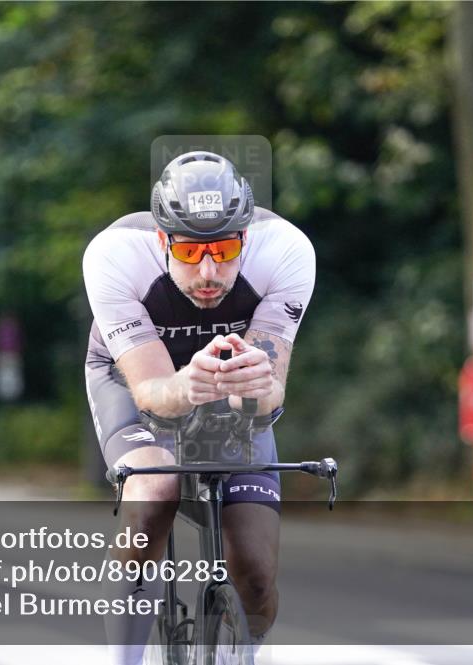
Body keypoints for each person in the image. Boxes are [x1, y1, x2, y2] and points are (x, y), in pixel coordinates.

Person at [82, 151, 315, 663]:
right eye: (189, 253)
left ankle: (246, 652)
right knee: (155, 491)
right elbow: (153, 395)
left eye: (224, 249)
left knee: (254, 570)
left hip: (224, 385)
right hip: (135, 378)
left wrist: (250, 388)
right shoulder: (116, 254)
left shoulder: (286, 250)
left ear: (246, 239)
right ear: (164, 241)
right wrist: (188, 383)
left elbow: (268, 397)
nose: (208, 271)